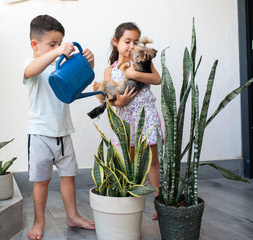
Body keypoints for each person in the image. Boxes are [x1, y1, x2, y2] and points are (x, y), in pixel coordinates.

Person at [23, 15, 95, 240]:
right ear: (35, 45)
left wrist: (88, 62)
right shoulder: (32, 64)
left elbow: (81, 80)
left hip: (63, 133)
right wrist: (57, 51)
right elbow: (31, 70)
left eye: (59, 43)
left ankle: (72, 216)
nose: (57, 48)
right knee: (42, 181)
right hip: (40, 135)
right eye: (52, 44)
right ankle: (39, 221)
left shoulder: (60, 66)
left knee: (68, 177)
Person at [105, 22, 163, 220]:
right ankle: (130, 203)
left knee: (153, 161)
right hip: (126, 122)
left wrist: (131, 74)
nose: (132, 46)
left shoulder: (143, 60)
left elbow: (157, 79)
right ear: (116, 42)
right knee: (130, 162)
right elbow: (112, 99)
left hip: (146, 117)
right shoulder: (109, 70)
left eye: (136, 41)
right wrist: (121, 100)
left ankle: (159, 203)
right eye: (127, 41)